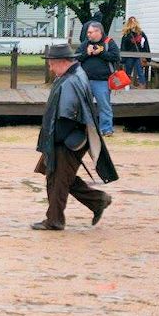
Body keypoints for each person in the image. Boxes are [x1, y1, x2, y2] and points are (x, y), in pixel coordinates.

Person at [32, 43, 117, 230]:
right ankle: (97, 201)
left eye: (51, 63)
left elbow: (67, 117)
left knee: (58, 179)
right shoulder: (74, 75)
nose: (50, 67)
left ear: (62, 62)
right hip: (68, 138)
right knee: (57, 175)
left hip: (68, 140)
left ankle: (55, 220)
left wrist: (55, 142)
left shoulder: (71, 80)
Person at [77, 21, 119, 137]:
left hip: (103, 81)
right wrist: (87, 53)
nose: (88, 35)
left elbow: (116, 57)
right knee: (84, 106)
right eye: (88, 32)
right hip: (85, 81)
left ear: (98, 32)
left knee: (104, 106)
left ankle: (106, 129)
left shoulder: (109, 42)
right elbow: (76, 58)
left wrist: (101, 52)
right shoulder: (85, 44)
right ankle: (86, 128)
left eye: (90, 32)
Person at [120, 16, 151, 88]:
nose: (133, 23)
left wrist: (148, 57)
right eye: (131, 22)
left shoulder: (141, 33)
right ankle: (127, 86)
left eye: (134, 21)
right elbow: (123, 46)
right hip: (129, 56)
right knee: (128, 72)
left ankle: (142, 86)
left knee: (140, 72)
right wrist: (123, 58)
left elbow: (146, 45)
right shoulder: (127, 34)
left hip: (138, 55)